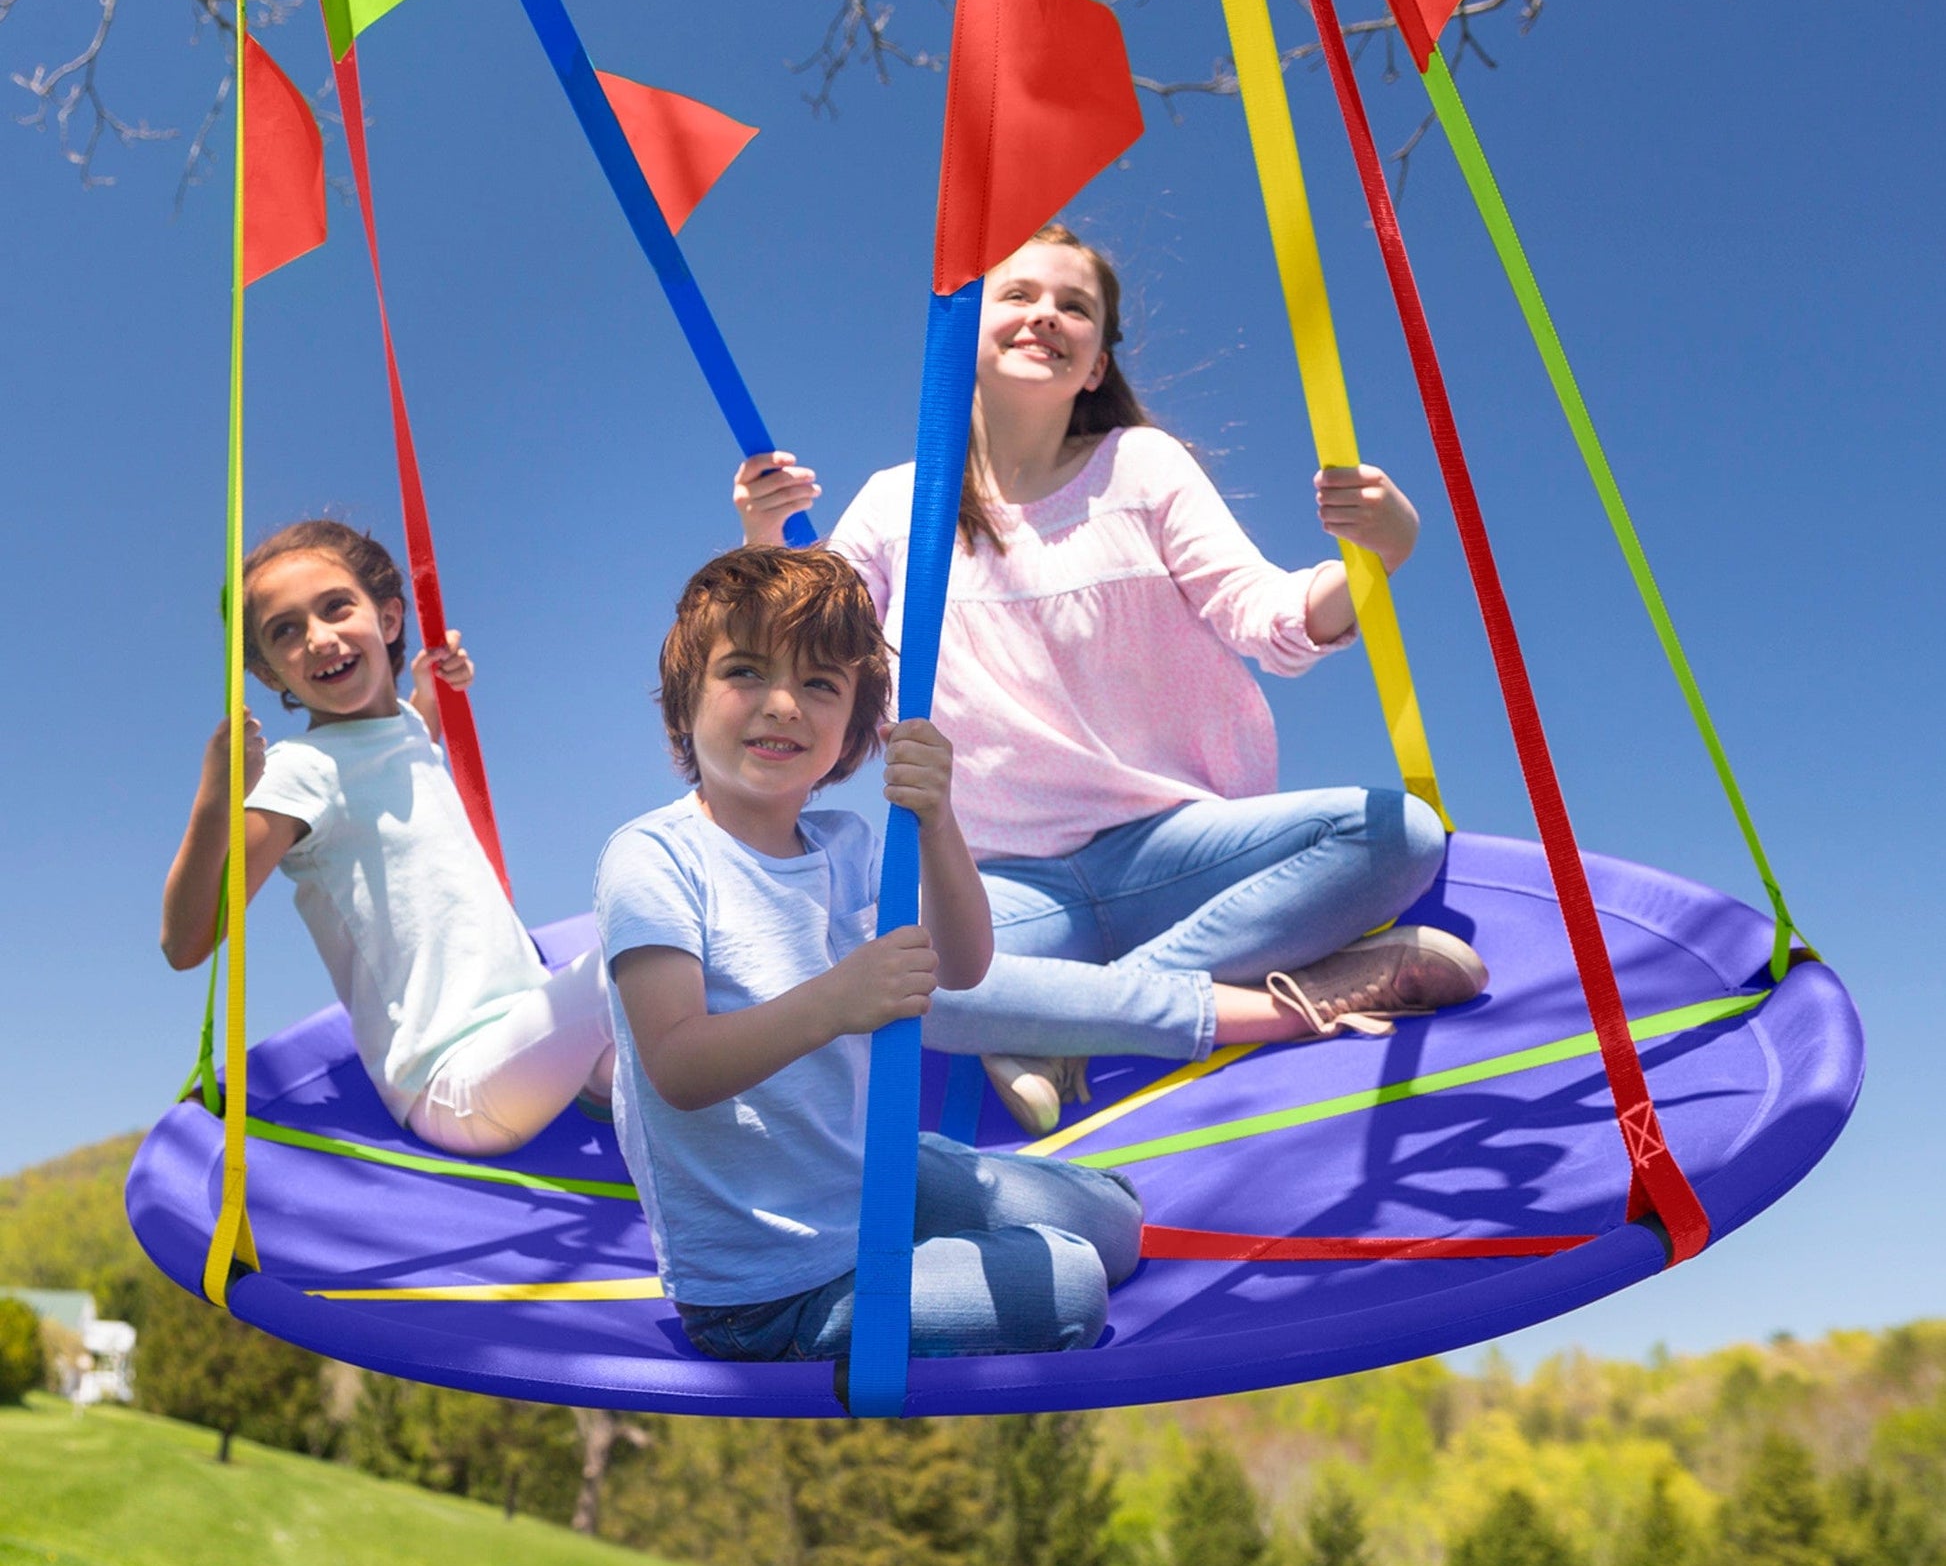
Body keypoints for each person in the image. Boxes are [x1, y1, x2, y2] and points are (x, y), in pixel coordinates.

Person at [733, 224, 1486, 1136]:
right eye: (1018, 296)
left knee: (1397, 834)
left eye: (1074, 306)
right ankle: (1231, 1001)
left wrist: (1379, 557)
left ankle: (1060, 1027)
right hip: (1000, 884)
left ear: (1095, 363)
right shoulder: (902, 501)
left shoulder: (1143, 467)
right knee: (855, 968)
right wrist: (765, 540)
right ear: (964, 334)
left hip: (1180, 854)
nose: (1045, 315)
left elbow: (1268, 618)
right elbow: (812, 646)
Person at [596, 545, 1143, 1362]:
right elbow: (677, 1066)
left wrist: (940, 820)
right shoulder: (653, 858)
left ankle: (1012, 1217)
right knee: (1072, 1285)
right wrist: (836, 1001)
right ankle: (970, 1254)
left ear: (854, 730)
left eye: (820, 684)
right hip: (773, 1283)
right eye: (745, 672)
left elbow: (962, 965)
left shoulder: (848, 844)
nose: (783, 703)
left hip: (869, 1172)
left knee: (1119, 1228)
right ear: (685, 704)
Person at [160, 520, 613, 1156]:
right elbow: (185, 943)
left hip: (530, 1038)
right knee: (641, 957)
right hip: (453, 1078)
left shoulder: (403, 730)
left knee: (708, 1003)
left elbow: (400, 757)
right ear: (266, 674)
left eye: (336, 607)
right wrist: (216, 800)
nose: (319, 639)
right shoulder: (302, 772)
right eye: (284, 631)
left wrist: (430, 690)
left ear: (390, 619)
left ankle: (612, 1088)